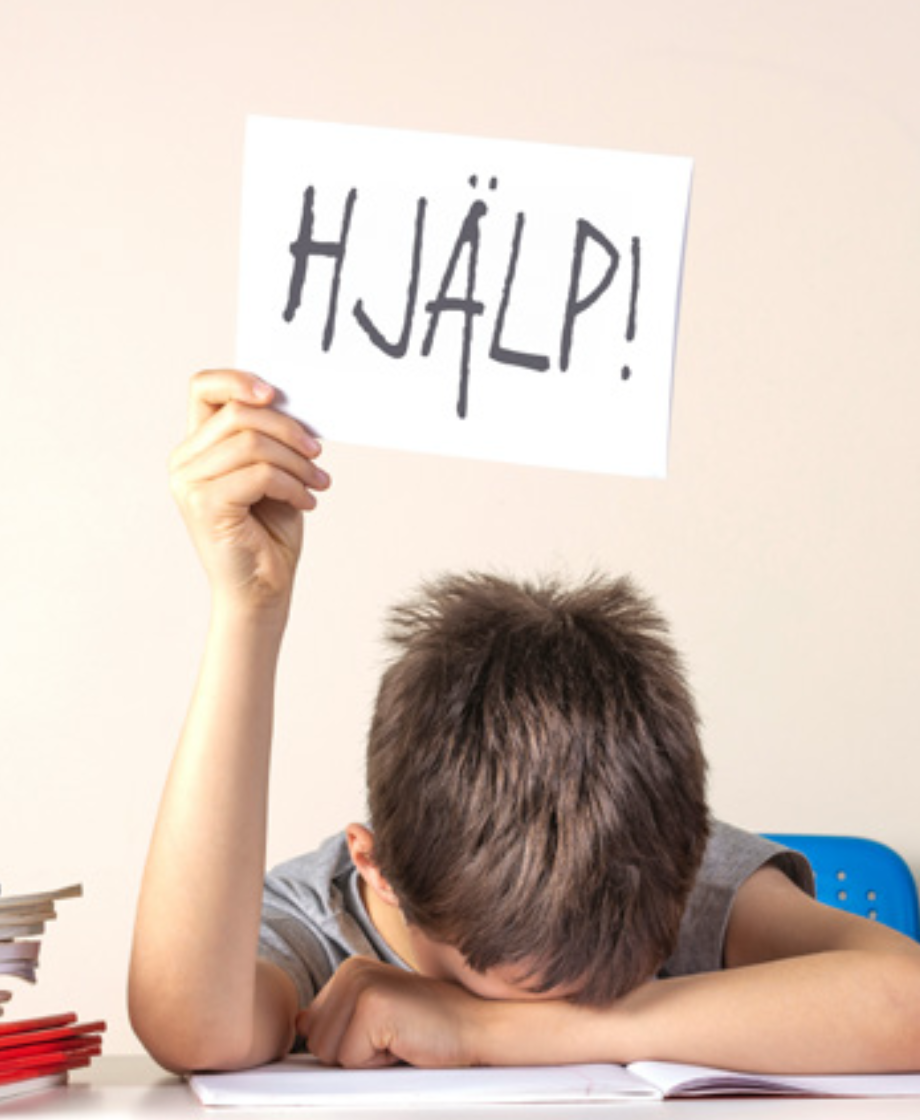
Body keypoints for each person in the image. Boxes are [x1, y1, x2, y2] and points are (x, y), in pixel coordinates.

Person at [129, 369, 920, 1076]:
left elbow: (906, 1002)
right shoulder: (321, 918)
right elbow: (189, 1028)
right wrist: (249, 607)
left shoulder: (657, 868)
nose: (565, 1008)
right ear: (381, 872)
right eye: (526, 993)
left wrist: (486, 1027)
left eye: (599, 994)